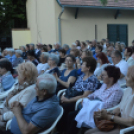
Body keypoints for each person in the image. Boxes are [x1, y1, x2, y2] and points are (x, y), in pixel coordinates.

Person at [67, 66, 123, 134]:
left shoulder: (117, 90)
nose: (101, 76)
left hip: (99, 111)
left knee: (74, 118)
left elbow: (109, 105)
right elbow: (94, 94)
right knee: (72, 115)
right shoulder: (104, 85)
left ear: (111, 78)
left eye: (103, 75)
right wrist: (87, 98)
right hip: (91, 107)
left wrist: (91, 103)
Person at [85, 65, 134, 134]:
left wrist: (109, 116)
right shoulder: (128, 90)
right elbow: (119, 108)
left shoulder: (120, 90)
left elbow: (131, 122)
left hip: (127, 130)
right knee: (87, 132)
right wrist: (107, 113)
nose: (125, 78)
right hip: (118, 124)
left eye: (128, 76)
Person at [57, 57, 100, 133]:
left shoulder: (92, 79)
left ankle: (62, 130)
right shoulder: (81, 76)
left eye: (83, 64)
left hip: (79, 101)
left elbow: (85, 96)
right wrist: (64, 96)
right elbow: (72, 89)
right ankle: (59, 129)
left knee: (63, 108)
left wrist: (68, 100)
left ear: (88, 68)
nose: (81, 66)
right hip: (72, 97)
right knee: (57, 104)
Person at [0, 62, 38, 128]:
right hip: (4, 109)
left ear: (24, 77)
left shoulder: (30, 91)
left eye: (19, 75)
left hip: (8, 118)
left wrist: (2, 117)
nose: (17, 77)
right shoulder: (21, 85)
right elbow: (8, 97)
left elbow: (19, 112)